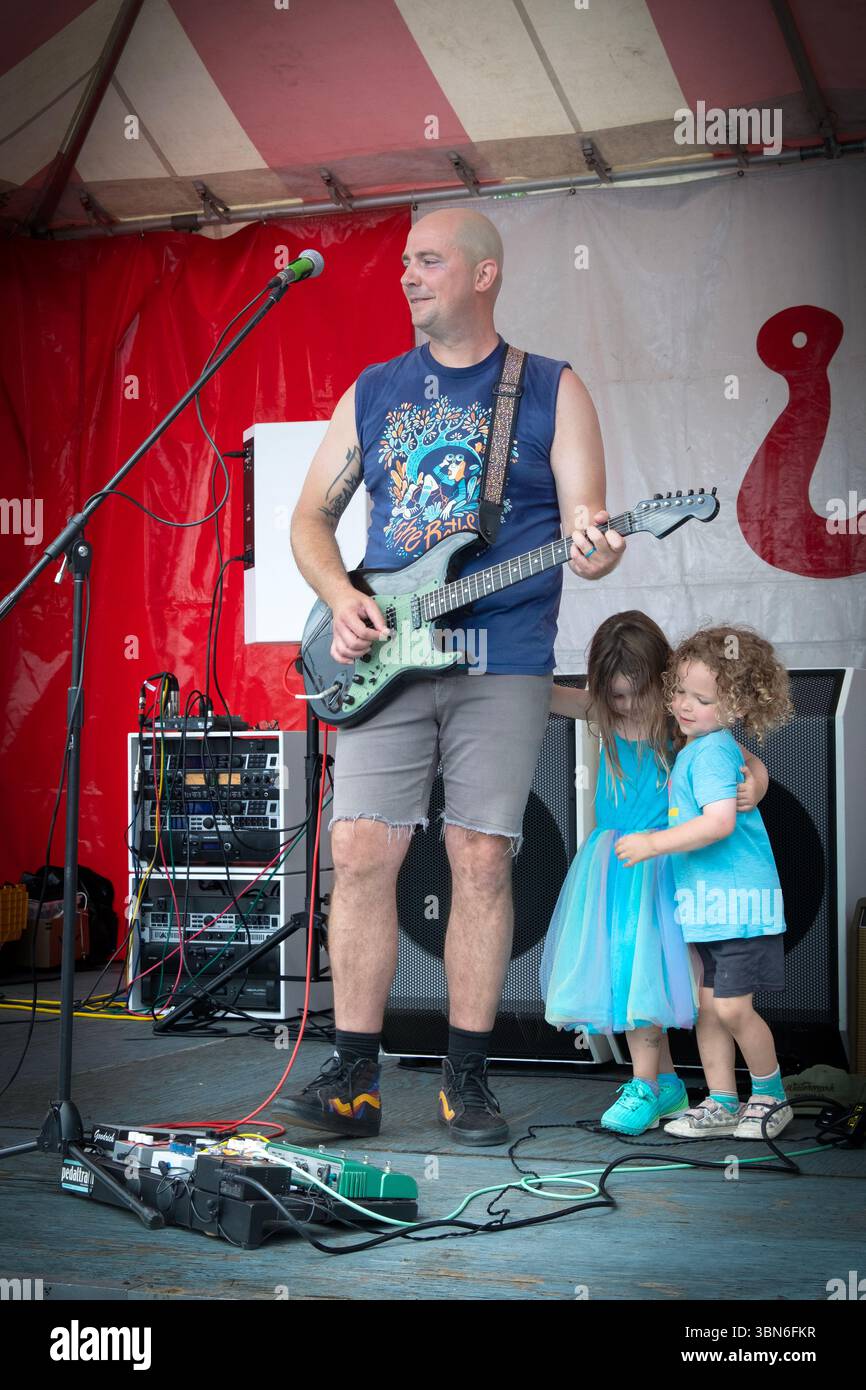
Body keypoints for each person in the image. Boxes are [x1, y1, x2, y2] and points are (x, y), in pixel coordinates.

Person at [281, 206, 624, 1146]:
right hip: (384, 654)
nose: (407, 276)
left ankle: (465, 1078)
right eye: (403, 263)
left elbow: (586, 524)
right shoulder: (375, 390)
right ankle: (354, 1075)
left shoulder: (550, 388)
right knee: (359, 854)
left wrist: (594, 548)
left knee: (480, 857)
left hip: (501, 658)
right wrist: (339, 595)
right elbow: (311, 519)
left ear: (484, 274)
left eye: (427, 261)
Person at [541, 612, 769, 1136]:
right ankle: (662, 1083)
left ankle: (646, 1083)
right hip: (614, 864)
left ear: (663, 683)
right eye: (615, 695)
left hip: (664, 863)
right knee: (628, 974)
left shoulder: (678, 724)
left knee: (651, 976)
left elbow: (749, 763)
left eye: (634, 694)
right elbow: (541, 693)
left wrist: (755, 785)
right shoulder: (601, 713)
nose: (624, 705)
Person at [615, 625, 794, 1140]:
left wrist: (653, 844)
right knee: (709, 1010)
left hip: (739, 906)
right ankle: (721, 1101)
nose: (685, 706)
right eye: (679, 692)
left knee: (733, 1008)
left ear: (737, 708)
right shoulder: (695, 747)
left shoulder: (713, 751)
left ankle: (770, 1095)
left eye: (703, 699)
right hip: (709, 909)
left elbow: (719, 822)